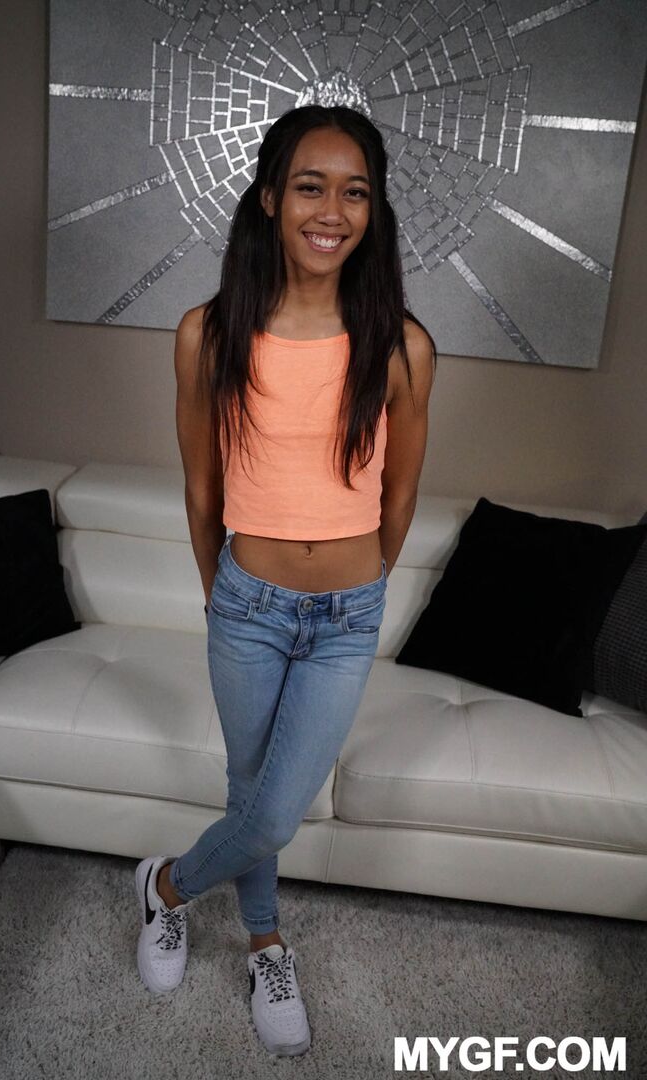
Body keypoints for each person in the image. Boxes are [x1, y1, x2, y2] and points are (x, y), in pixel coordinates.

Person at [135, 104, 436, 1057]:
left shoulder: (400, 345)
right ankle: (266, 941)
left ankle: (166, 886)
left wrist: (361, 587)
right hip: (247, 605)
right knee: (250, 789)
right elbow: (202, 487)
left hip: (348, 617)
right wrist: (224, 591)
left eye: (356, 193)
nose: (332, 211)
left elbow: (398, 495)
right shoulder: (209, 334)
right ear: (270, 198)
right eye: (311, 187)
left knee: (271, 809)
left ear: (374, 212)